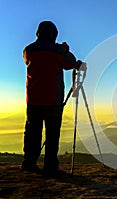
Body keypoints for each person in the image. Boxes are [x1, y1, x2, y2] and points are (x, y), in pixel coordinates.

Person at [21, 21, 82, 175]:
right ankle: (50, 167)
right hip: (53, 99)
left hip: (33, 98)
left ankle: (29, 163)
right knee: (52, 134)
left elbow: (28, 62)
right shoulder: (56, 51)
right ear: (54, 35)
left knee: (32, 132)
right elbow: (70, 63)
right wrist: (65, 50)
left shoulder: (28, 50)